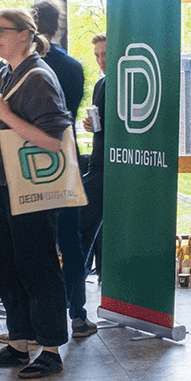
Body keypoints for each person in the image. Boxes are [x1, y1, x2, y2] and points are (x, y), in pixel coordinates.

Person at [0, 8, 72, 378]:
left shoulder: (39, 76)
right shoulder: (4, 73)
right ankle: (18, 343)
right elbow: (3, 126)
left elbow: (53, 142)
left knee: (38, 265)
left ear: (25, 34)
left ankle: (50, 349)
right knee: (6, 265)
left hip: (27, 189)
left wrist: (2, 111)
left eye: (2, 30)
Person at [33, 0, 95, 339]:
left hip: (29, 157)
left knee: (35, 239)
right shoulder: (72, 67)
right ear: (58, 26)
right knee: (70, 240)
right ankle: (78, 314)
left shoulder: (23, 66)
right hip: (65, 155)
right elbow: (68, 114)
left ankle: (38, 319)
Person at [80, 33, 107, 280]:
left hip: (114, 167)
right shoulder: (100, 85)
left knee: (85, 224)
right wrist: (91, 124)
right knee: (87, 225)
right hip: (98, 162)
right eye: (97, 55)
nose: (100, 60)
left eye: (105, 54)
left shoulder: (128, 84)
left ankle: (74, 284)